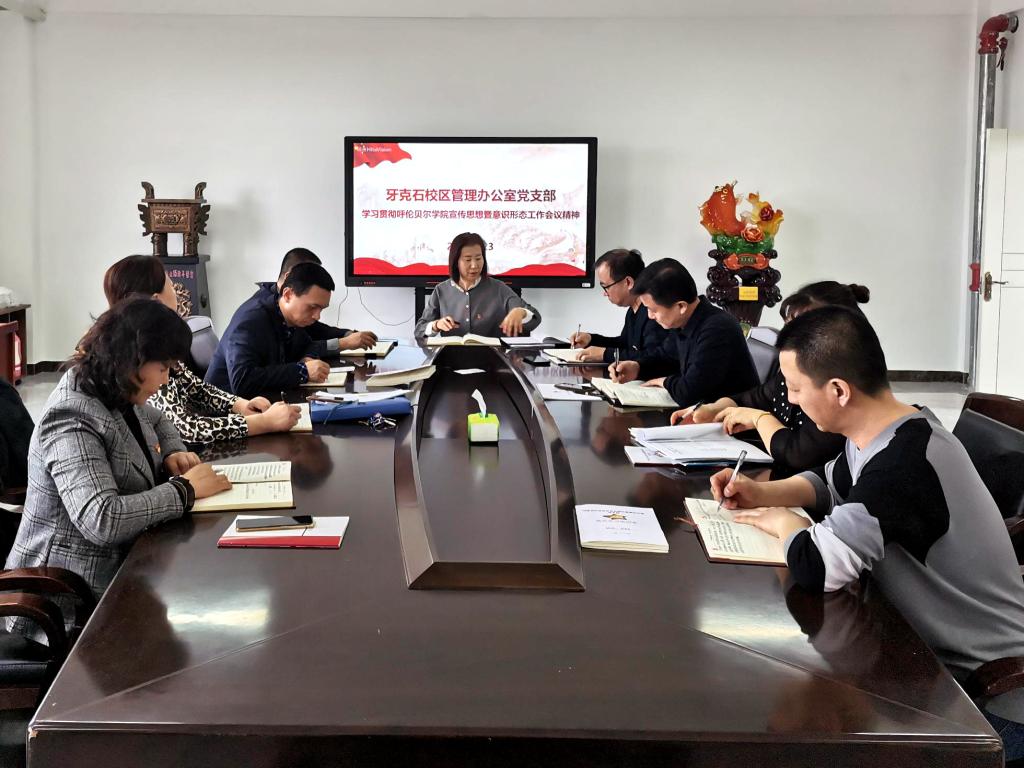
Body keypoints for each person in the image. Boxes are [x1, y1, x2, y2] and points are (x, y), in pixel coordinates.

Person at [710, 306, 1024, 757]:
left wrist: (784, 521)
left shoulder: (906, 462)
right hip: (922, 660)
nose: (791, 401)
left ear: (838, 390)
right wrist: (763, 494)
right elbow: (830, 483)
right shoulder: (889, 431)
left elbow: (819, 567)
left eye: (795, 388)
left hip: (983, 699)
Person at [5, 298, 232, 603]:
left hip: (130, 563)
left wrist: (172, 451)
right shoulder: (71, 415)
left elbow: (158, 418)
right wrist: (184, 490)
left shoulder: (114, 390)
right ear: (132, 359)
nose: (165, 380)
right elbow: (102, 519)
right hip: (67, 595)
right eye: (163, 368)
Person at [670, 281, 870, 470]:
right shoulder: (794, 369)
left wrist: (759, 418)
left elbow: (799, 454)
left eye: (800, 332)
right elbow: (758, 397)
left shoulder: (837, 388)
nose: (788, 337)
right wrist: (715, 409)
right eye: (788, 326)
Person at [103, 255, 301, 444]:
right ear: (156, 301)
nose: (176, 291)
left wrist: (240, 405)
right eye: (171, 285)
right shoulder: (141, 355)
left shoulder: (157, 340)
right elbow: (187, 429)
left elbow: (195, 388)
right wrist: (263, 423)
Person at [609, 258, 757, 406]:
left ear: (681, 306)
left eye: (653, 310)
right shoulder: (685, 321)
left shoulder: (718, 329)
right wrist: (637, 367)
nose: (650, 316)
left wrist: (664, 382)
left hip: (733, 416)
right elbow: (664, 357)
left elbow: (689, 392)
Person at [205, 262, 336, 398]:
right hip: (223, 406)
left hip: (266, 402)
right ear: (288, 295)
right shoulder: (251, 320)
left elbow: (310, 345)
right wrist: (302, 371)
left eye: (321, 309)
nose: (317, 316)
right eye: (312, 307)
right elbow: (242, 382)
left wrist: (307, 358)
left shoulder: (291, 318)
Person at [413, 232, 542, 338]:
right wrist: (436, 325)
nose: (474, 265)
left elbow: (535, 318)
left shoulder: (499, 288)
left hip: (492, 358)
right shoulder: (441, 290)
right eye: (468, 259)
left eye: (479, 258)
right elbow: (419, 330)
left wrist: (521, 312)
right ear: (455, 262)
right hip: (451, 358)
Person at [260, 247, 378, 354]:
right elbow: (299, 351)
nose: (317, 316)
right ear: (290, 276)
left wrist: (347, 334)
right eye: (310, 273)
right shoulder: (261, 313)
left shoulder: (292, 308)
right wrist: (343, 343)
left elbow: (315, 331)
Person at [568, 248, 668, 363]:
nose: (605, 293)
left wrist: (606, 354)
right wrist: (591, 339)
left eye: (606, 287)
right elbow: (624, 344)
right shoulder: (633, 310)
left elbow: (653, 358)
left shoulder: (652, 313)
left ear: (628, 282)